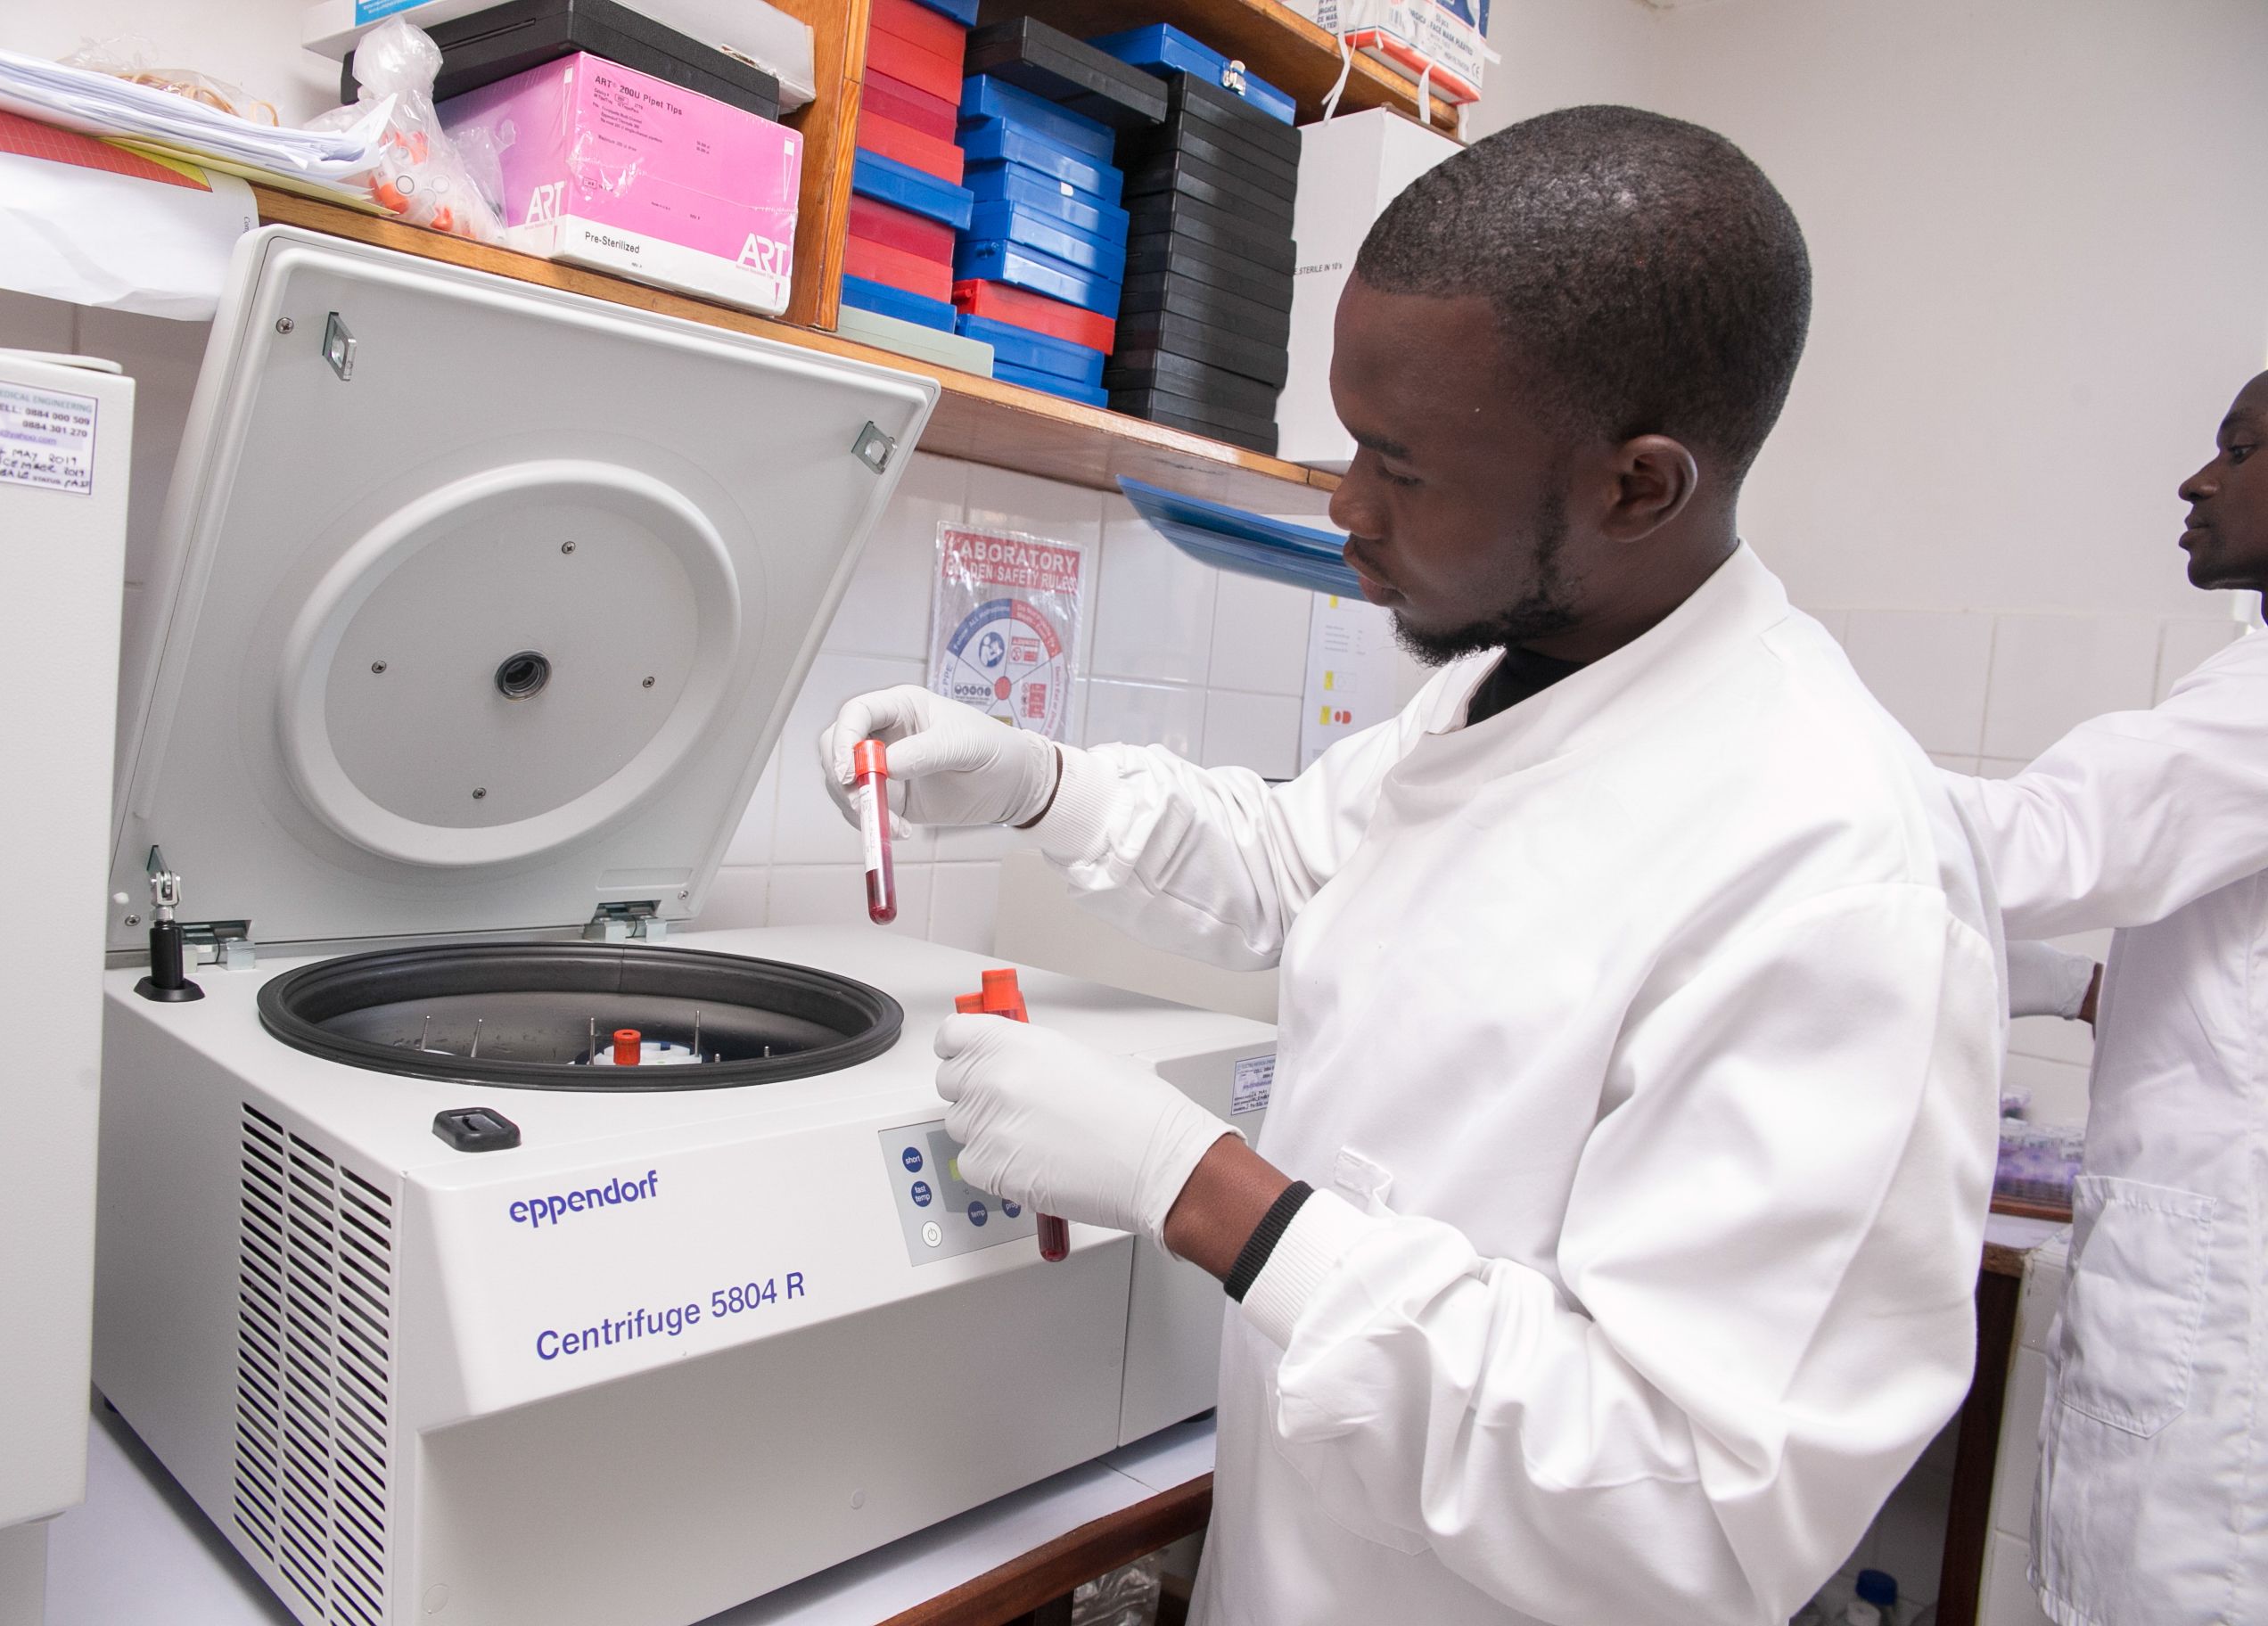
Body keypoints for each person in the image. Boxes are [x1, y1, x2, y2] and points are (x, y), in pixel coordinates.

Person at [823, 106, 2003, 1624]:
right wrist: (1033, 780)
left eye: (1401, 467)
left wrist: (1205, 1193)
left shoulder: (1834, 875)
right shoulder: (1515, 682)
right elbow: (1293, 855)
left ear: (1638, 487)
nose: (1345, 508)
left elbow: (1695, 1514)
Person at [1946, 371, 2268, 1626]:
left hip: (2222, 1336)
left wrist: (1736, 744)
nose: (2196, 481)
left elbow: (2037, 840)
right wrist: (2085, 989)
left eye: (2237, 451)